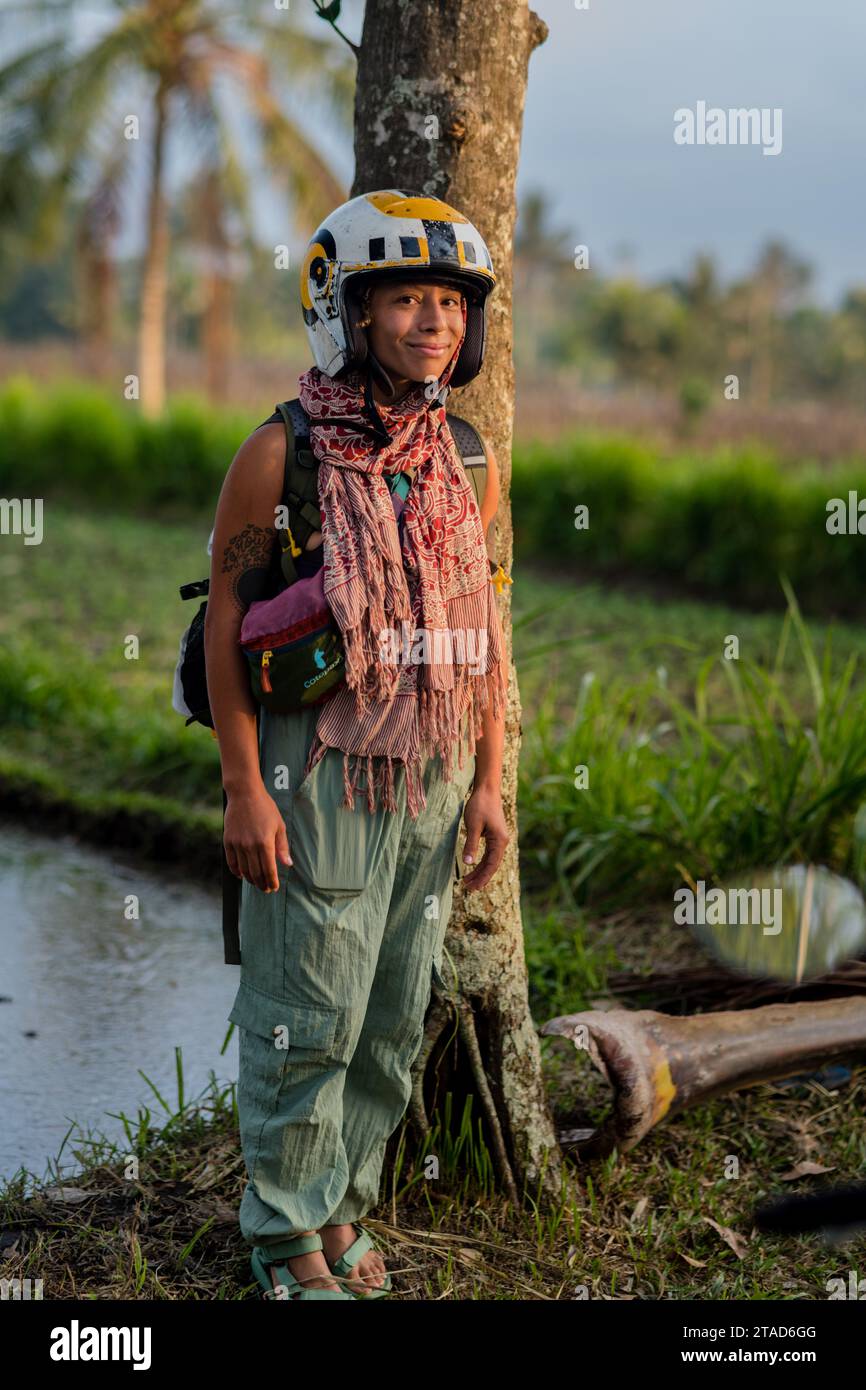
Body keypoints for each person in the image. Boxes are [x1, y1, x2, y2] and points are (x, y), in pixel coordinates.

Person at [205, 190, 509, 1301]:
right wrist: (244, 787)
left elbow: (486, 620)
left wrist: (488, 783)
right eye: (403, 299)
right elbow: (225, 632)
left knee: (386, 1012)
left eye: (447, 302)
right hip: (314, 764)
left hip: (430, 769)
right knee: (306, 1010)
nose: (431, 321)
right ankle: (280, 1232)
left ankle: (341, 1206)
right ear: (346, 311)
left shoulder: (466, 456)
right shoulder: (278, 454)